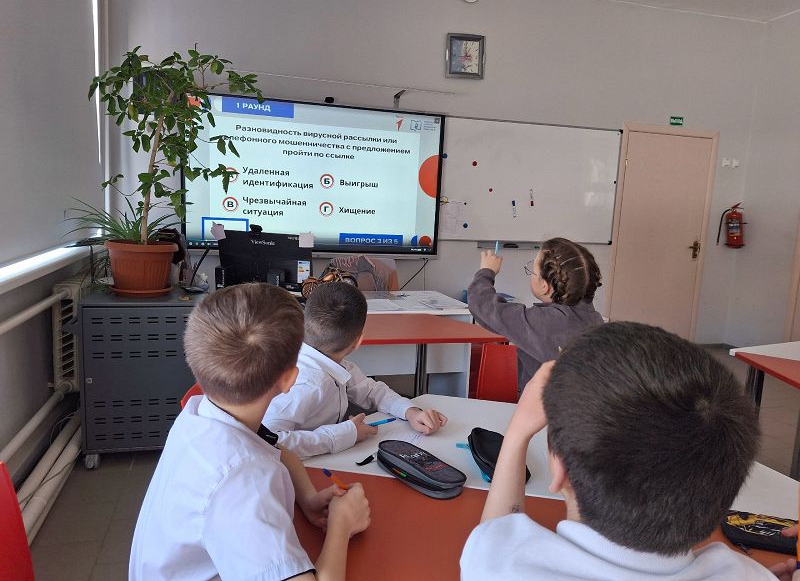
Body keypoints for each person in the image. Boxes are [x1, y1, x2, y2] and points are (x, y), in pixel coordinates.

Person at [460, 321, 778, 580]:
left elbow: (495, 535)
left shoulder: (503, 568)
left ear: (561, 471)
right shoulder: (749, 573)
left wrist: (517, 433)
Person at [130, 283, 370, 581]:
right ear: (289, 380)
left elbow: (277, 448)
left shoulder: (201, 412)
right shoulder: (246, 485)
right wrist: (342, 525)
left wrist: (307, 498)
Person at [264, 281, 447, 459]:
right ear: (358, 341)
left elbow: (371, 390)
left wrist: (410, 411)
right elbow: (266, 441)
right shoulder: (306, 384)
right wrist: (345, 434)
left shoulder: (334, 363)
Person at [467, 237, 604, 393]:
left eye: (532, 270)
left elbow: (481, 303)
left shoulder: (543, 322)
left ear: (544, 286)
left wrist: (486, 271)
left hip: (545, 406)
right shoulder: (597, 322)